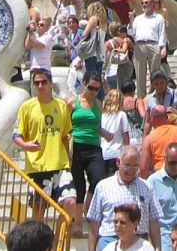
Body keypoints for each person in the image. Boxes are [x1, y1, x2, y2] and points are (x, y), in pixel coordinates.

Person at [14, 68, 74, 221]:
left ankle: (57, 243)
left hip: (60, 164)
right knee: (39, 208)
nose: (40, 86)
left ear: (50, 83)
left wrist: (68, 161)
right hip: (38, 166)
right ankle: (39, 243)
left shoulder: (61, 107)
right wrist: (26, 145)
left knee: (70, 202)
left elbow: (64, 136)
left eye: (43, 82)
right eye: (37, 83)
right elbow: (16, 135)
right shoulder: (26, 107)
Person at [86, 146, 162, 251]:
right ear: (118, 162)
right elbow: (94, 224)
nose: (131, 170)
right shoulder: (103, 186)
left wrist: (157, 248)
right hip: (110, 240)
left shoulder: (147, 187)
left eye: (135, 166)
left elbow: (154, 221)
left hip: (140, 242)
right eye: (127, 165)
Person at [69, 72, 112, 235]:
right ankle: (78, 224)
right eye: (91, 87)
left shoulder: (98, 104)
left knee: (98, 179)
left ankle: (87, 207)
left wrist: (106, 134)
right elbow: (67, 126)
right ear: (84, 84)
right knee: (79, 186)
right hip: (77, 147)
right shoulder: (73, 103)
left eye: (97, 89)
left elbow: (96, 127)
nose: (93, 91)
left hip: (94, 147)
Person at [140, 106, 177, 177]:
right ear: (167, 117)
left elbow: (143, 166)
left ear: (152, 118)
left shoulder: (150, 138)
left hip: (161, 177)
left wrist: (145, 181)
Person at [129, 0, 167, 98]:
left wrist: (161, 47)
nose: (144, 5)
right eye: (143, 3)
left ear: (152, 4)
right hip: (140, 45)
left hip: (153, 44)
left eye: (146, 2)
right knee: (140, 74)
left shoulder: (158, 18)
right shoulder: (138, 18)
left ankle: (154, 96)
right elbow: (132, 33)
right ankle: (141, 98)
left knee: (155, 73)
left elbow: (162, 33)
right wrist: (131, 21)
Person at [101, 89, 133, 175]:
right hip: (117, 152)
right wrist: (127, 150)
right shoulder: (121, 115)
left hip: (103, 152)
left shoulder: (102, 115)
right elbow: (125, 135)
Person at [106, 25, 135, 91]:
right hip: (130, 64)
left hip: (124, 65)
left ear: (124, 32)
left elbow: (124, 50)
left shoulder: (125, 40)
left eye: (120, 31)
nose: (118, 33)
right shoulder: (130, 40)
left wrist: (115, 50)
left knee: (121, 86)